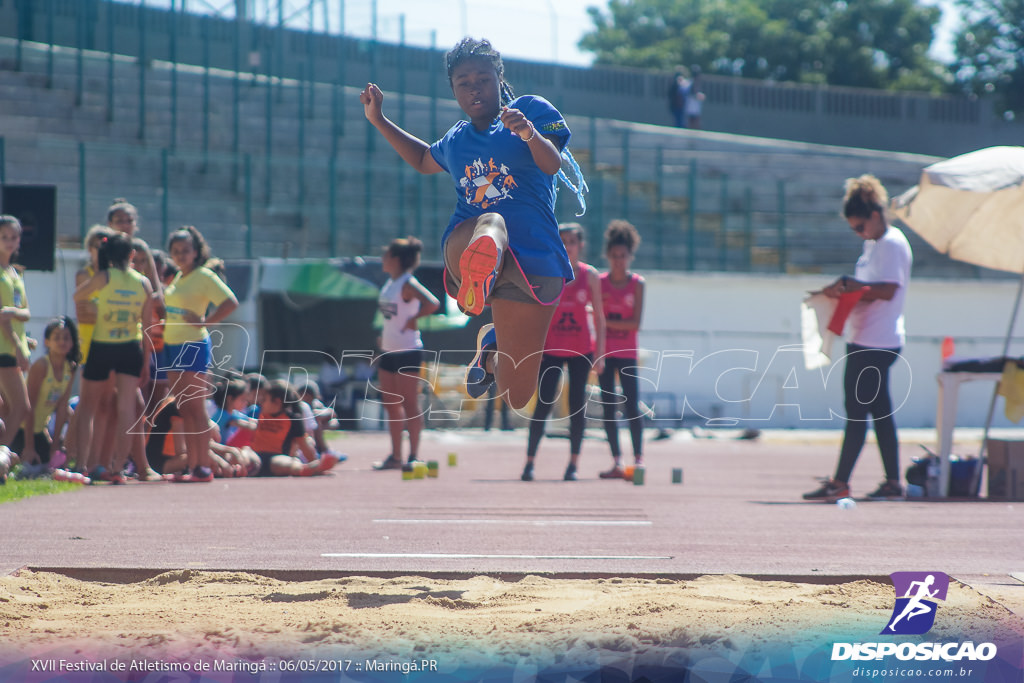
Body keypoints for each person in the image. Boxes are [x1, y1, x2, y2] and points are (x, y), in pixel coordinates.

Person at [360, 37, 585, 411]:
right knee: (492, 221)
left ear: (499, 79)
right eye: (463, 82)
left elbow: (552, 164)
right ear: (453, 90)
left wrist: (528, 133)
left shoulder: (530, 110)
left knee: (518, 395)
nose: (473, 89)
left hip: (534, 260)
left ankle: (489, 351)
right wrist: (379, 119)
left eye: (482, 79)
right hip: (468, 244)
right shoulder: (457, 139)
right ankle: (482, 267)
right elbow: (420, 158)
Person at [803, 175, 912, 502]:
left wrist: (852, 287)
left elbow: (888, 289)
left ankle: (841, 481)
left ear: (876, 215)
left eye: (859, 227)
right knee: (879, 413)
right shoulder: (874, 244)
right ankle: (892, 482)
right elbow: (868, 288)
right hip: (867, 338)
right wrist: (844, 290)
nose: (858, 233)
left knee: (856, 411)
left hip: (876, 343)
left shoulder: (891, 243)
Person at [521, 223, 606, 482]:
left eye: (572, 241)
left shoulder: (590, 276)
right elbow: (535, 312)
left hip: (581, 350)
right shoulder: (548, 272)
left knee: (577, 407)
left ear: (580, 245)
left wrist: (600, 353)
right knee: (543, 404)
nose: (567, 245)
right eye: (563, 241)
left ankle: (573, 464)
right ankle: (529, 463)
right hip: (552, 348)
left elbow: (600, 318)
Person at [73, 231, 159, 483]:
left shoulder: (103, 276)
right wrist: (146, 362)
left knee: (88, 406)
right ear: (132, 255)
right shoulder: (144, 283)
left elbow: (78, 296)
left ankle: (81, 465)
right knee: (126, 409)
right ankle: (118, 467)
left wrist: (99, 307)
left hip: (103, 344)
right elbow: (147, 327)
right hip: (130, 346)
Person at [162, 225, 239, 482]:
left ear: (196, 252)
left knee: (196, 408)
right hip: (171, 346)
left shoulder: (204, 276)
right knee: (183, 408)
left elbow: (230, 302)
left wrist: (206, 321)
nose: (181, 255)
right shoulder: (178, 279)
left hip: (192, 344)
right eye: (176, 251)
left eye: (186, 250)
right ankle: (194, 465)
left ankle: (202, 465)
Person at [372, 237, 440, 470]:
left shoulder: (407, 283)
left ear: (396, 259)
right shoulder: (390, 283)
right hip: (387, 350)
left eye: (386, 255)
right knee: (391, 405)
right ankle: (395, 456)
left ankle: (414, 455)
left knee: (409, 403)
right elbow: (391, 316)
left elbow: (432, 303)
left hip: (408, 350)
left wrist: (414, 319)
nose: (383, 259)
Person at [597, 220, 646, 479]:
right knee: (608, 407)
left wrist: (605, 321)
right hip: (604, 353)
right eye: (614, 256)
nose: (619, 261)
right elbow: (594, 320)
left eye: (623, 256)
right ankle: (616, 461)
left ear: (630, 257)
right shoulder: (600, 283)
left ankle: (638, 460)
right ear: (608, 256)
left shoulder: (638, 284)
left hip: (627, 353)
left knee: (631, 407)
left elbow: (635, 323)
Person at [11, 317, 80, 477]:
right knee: (24, 465)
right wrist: (29, 446)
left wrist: (54, 446)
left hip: (39, 430)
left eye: (66, 338)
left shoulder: (70, 368)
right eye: (56, 337)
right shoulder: (41, 366)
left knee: (47, 466)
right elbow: (30, 406)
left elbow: (62, 409)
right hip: (22, 430)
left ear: (72, 343)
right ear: (47, 342)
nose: (62, 342)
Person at [243, 379, 340, 477]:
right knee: (245, 452)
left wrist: (314, 462)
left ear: (277, 402)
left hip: (278, 458)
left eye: (264, 400)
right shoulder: (260, 414)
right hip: (256, 458)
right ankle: (238, 469)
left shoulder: (293, 420)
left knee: (281, 463)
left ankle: (306, 469)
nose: (260, 402)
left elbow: (304, 446)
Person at [0, 216, 33, 456]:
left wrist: (24, 341)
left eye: (14, 237)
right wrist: (19, 347)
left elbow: (25, 312)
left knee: (7, 407)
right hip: (4, 348)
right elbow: (3, 317)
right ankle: (3, 454)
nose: (10, 242)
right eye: (4, 237)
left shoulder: (14, 272)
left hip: (12, 346)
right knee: (21, 406)